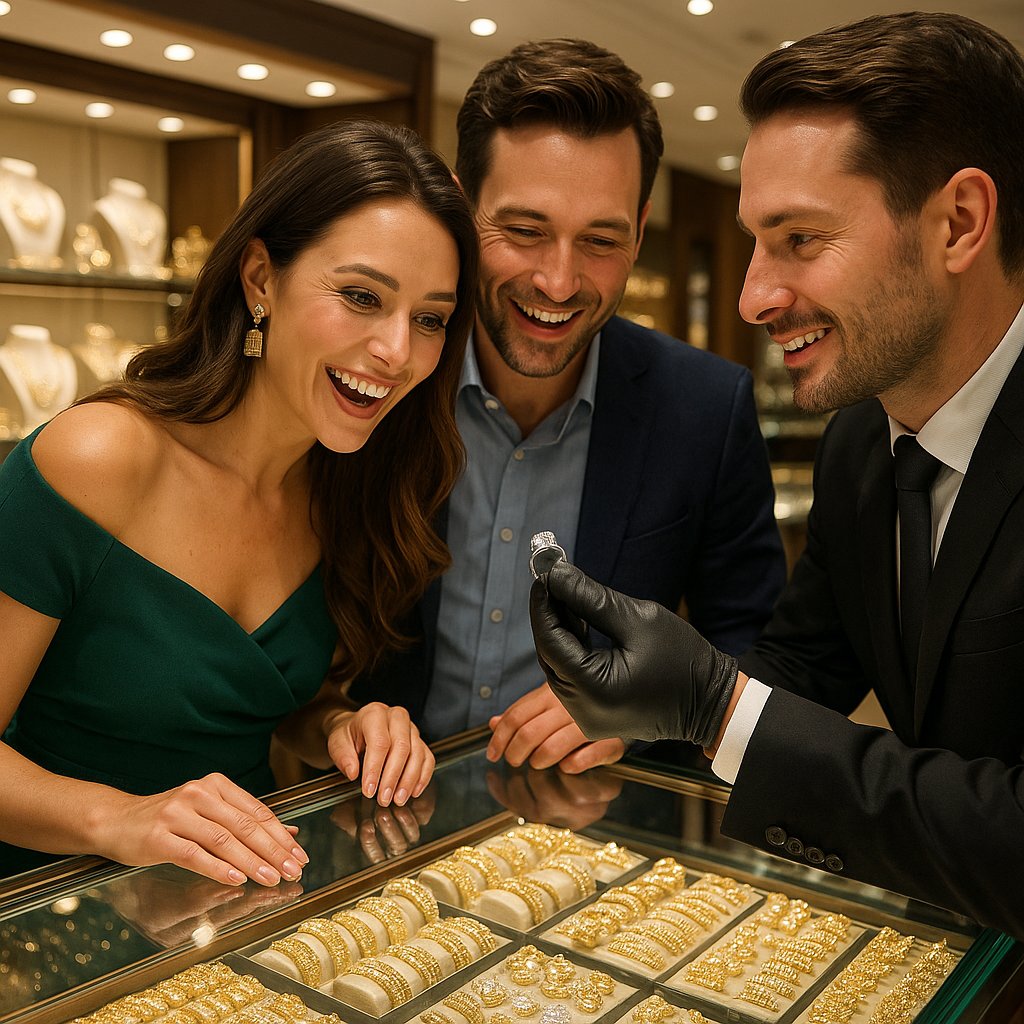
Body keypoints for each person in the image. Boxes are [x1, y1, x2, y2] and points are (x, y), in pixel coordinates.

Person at [530, 11, 1024, 938]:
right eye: (757, 242)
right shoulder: (859, 444)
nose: (756, 294)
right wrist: (645, 710)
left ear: (958, 222)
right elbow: (807, 663)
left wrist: (715, 706)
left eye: (800, 239)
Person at [0, 120, 479, 886]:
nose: (397, 350)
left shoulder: (347, 486)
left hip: (236, 917)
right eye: (361, 296)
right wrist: (120, 817)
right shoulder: (98, 457)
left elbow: (260, 699)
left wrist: (338, 723)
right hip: (47, 927)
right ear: (260, 278)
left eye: (429, 319)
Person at [350, 39, 786, 776]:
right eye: (524, 231)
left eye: (601, 241)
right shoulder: (375, 378)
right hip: (374, 831)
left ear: (641, 232)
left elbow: (757, 648)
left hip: (598, 847)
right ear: (461, 207)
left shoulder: (706, 408)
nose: (558, 281)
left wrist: (644, 716)